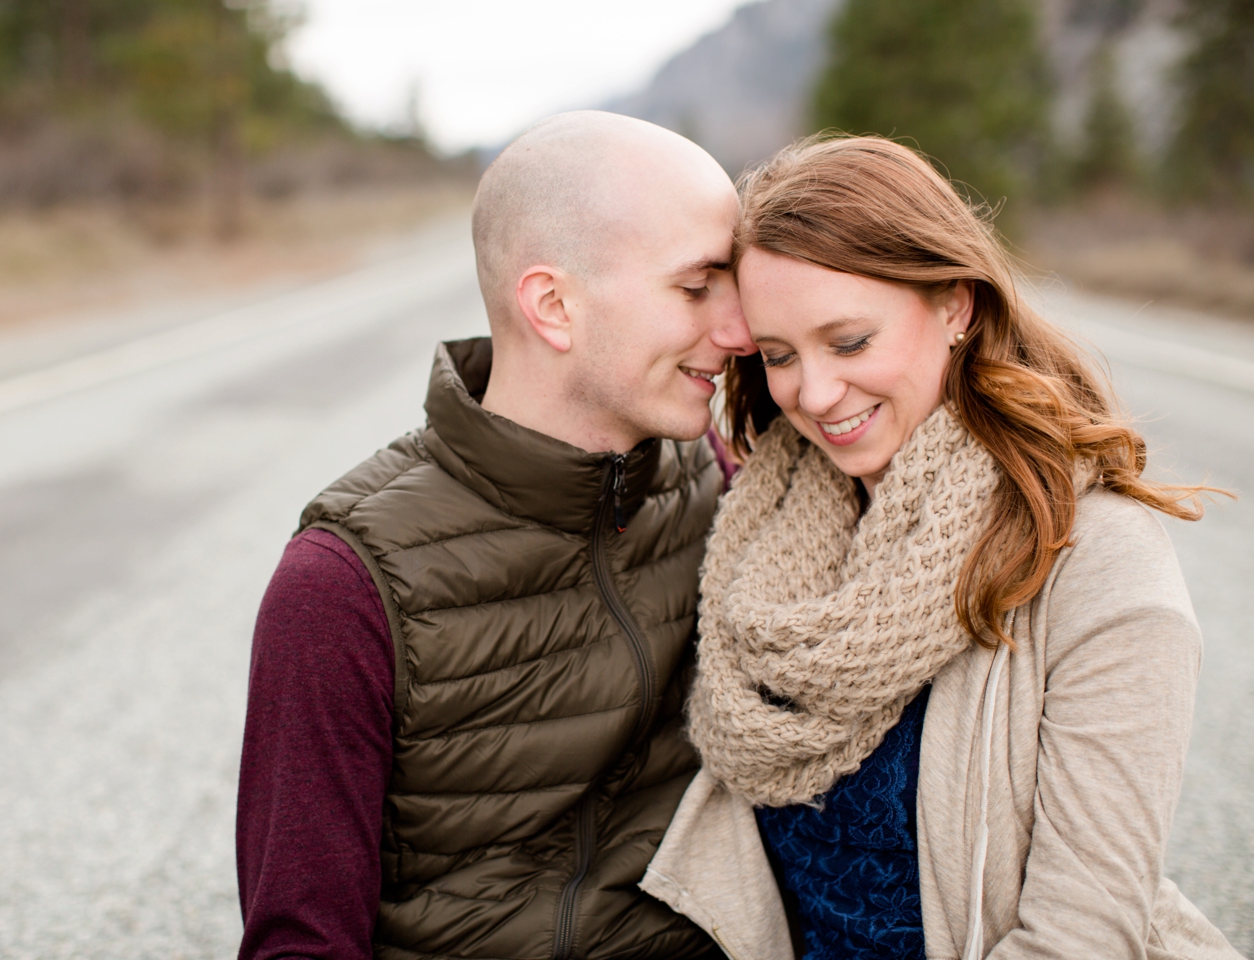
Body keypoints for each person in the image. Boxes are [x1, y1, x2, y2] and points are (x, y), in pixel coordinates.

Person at [641, 135, 1244, 960]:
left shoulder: (1094, 558)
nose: (814, 394)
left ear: (954, 305)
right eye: (780, 355)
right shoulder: (759, 531)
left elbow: (1081, 937)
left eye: (849, 342)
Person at [236, 110, 756, 960]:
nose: (736, 331)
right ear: (553, 305)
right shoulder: (344, 585)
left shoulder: (723, 486)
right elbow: (301, 943)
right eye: (697, 288)